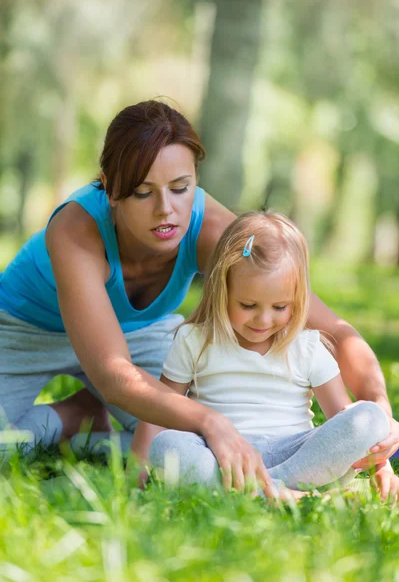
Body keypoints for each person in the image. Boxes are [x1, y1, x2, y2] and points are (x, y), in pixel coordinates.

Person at [0, 100, 397, 497]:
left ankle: (88, 421)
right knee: (7, 450)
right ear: (110, 189)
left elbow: (334, 330)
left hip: (141, 332)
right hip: (26, 332)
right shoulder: (76, 231)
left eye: (180, 188)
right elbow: (115, 375)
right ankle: (77, 415)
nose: (166, 210)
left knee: (170, 438)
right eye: (142, 192)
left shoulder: (218, 233)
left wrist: (379, 410)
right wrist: (212, 422)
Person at [136, 212, 399, 499]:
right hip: (223, 454)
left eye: (279, 307)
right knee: (168, 445)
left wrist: (380, 465)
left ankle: (260, 491)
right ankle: (285, 494)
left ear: (298, 299)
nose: (263, 319)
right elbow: (160, 411)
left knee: (370, 417)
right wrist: (135, 478)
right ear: (221, 290)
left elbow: (343, 416)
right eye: (248, 304)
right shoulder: (195, 341)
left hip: (297, 455)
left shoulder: (308, 347)